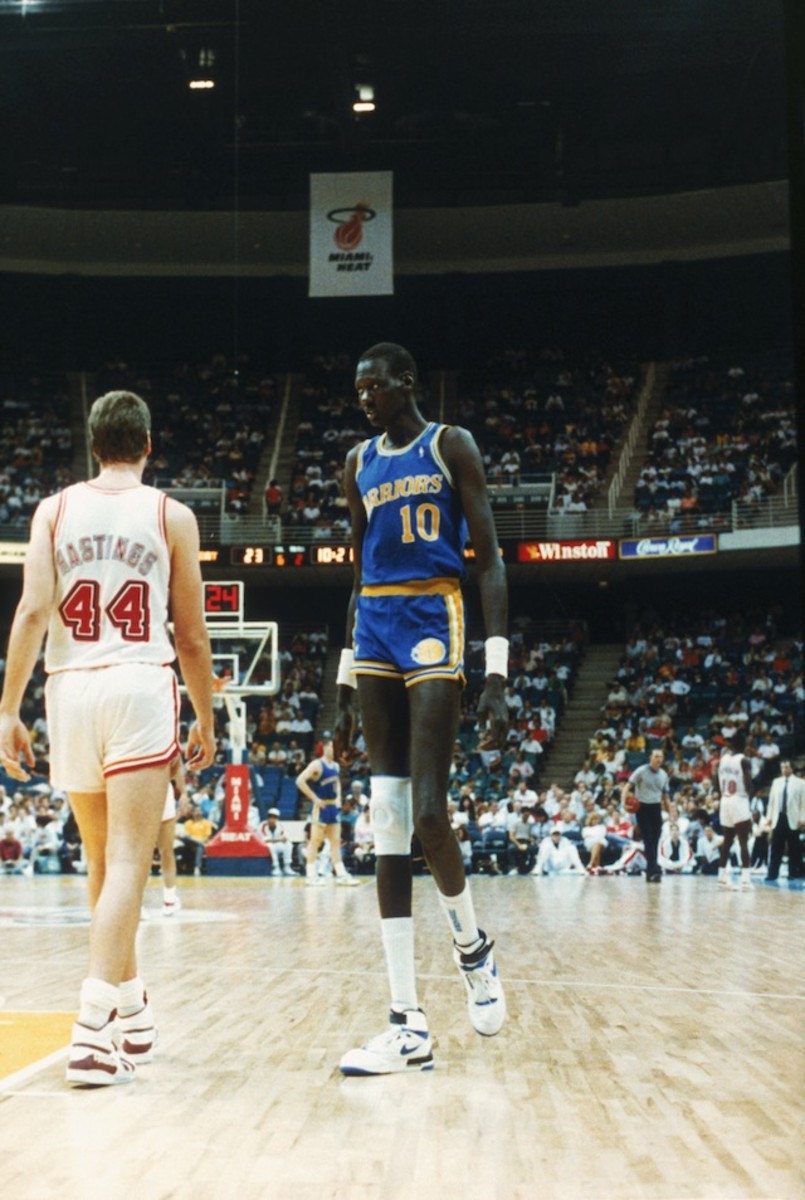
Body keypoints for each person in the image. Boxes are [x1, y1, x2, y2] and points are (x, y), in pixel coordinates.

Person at [0, 389, 216, 1086]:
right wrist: (207, 715)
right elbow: (188, 633)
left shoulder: (53, 510)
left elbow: (33, 612)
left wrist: (8, 709)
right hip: (136, 683)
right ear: (149, 444)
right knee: (128, 862)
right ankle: (92, 1030)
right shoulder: (172, 515)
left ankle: (131, 1007)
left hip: (68, 684)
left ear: (92, 445)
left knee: (100, 862)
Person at [334, 343, 508, 1075]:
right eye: (358, 387)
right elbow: (356, 566)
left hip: (436, 618)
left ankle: (473, 949)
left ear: (408, 381)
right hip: (374, 624)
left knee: (430, 813)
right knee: (386, 824)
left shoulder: (449, 445)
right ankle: (406, 1020)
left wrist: (495, 671)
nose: (364, 396)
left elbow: (490, 558)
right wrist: (342, 684)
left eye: (375, 384)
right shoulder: (356, 463)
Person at [296, 738, 359, 887]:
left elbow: (337, 782)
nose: (335, 748)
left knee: (335, 842)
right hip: (321, 807)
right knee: (315, 842)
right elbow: (300, 780)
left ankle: (341, 874)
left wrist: (338, 798)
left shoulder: (336, 766)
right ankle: (311, 875)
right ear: (324, 747)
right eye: (332, 746)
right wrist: (315, 798)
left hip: (332, 808)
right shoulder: (317, 764)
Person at [620, 748, 670, 883]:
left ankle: (650, 870)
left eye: (661, 756)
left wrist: (670, 813)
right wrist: (623, 802)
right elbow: (627, 787)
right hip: (642, 807)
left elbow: (665, 796)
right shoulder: (641, 771)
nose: (659, 759)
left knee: (656, 839)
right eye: (656, 756)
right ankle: (653, 870)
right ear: (650, 758)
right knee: (648, 838)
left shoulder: (664, 774)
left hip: (656, 808)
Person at [716, 733, 754, 891]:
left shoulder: (723, 758)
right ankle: (745, 880)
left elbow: (715, 778)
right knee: (743, 841)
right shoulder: (744, 760)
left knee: (727, 840)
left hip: (725, 800)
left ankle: (722, 878)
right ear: (744, 745)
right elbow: (748, 782)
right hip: (739, 799)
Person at [765, 761, 805, 882]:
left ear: (792, 769)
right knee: (776, 847)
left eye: (787, 767)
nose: (784, 769)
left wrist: (803, 818)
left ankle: (793, 873)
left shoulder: (800, 783)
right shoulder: (776, 782)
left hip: (793, 818)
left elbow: (803, 802)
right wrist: (769, 817)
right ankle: (772, 873)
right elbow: (771, 801)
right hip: (778, 817)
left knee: (794, 848)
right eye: (782, 767)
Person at [260, 806, 295, 876]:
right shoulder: (262, 825)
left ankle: (287, 867)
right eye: (270, 817)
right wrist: (278, 840)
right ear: (268, 817)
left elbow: (284, 838)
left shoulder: (280, 825)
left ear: (277, 818)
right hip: (266, 846)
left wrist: (284, 840)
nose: (272, 819)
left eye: (274, 817)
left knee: (288, 844)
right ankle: (276, 867)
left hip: (276, 844)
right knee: (270, 846)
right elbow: (264, 840)